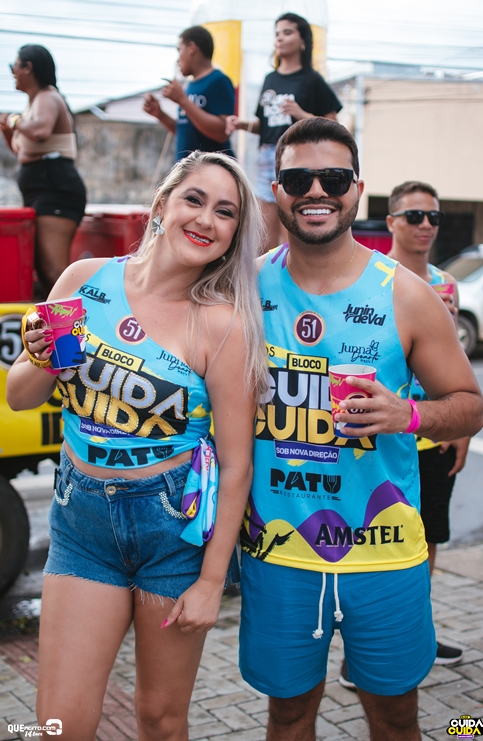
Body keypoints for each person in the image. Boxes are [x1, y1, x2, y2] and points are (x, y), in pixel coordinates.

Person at [6, 150, 267, 741]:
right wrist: (40, 357)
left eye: (225, 212)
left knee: (160, 720)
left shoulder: (223, 324)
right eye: (194, 199)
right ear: (161, 205)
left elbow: (236, 465)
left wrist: (211, 582)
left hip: (173, 535)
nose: (206, 219)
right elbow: (22, 395)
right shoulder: (84, 280)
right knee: (59, 725)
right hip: (82, 527)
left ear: (232, 235)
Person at [238, 118, 483, 741]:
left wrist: (409, 415)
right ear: (277, 189)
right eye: (299, 178)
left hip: (385, 552)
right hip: (278, 554)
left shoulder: (408, 295)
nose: (316, 190)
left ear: (357, 189)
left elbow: (469, 406)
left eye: (334, 177)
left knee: (397, 719)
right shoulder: (242, 288)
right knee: (288, 717)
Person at [387, 181, 469, 665]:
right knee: (383, 538)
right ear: (392, 221)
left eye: (434, 217)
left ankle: (418, 632)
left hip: (434, 433)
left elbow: (456, 366)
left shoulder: (445, 283)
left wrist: (460, 427)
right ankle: (364, 651)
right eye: (414, 216)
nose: (425, 225)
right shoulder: (377, 280)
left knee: (429, 534)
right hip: (389, 437)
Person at [226, 13, 342, 253]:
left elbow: (333, 125)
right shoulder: (270, 79)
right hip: (266, 160)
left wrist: (301, 113)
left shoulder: (311, 80)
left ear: (303, 40)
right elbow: (264, 125)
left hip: (297, 162)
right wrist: (241, 125)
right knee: (262, 239)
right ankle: (265, 279)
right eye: (277, 33)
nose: (279, 38)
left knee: (292, 237)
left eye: (287, 32)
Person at [0, 44, 86, 299]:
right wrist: (9, 133)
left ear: (29, 68)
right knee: (44, 271)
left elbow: (40, 131)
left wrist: (15, 120)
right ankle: (60, 322)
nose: (12, 72)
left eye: (14, 66)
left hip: (56, 189)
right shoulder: (34, 103)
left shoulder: (48, 96)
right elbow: (24, 152)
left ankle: (82, 322)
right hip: (42, 189)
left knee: (54, 271)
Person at [143, 25, 235, 162]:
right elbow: (186, 131)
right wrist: (159, 114)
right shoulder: (190, 86)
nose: (177, 59)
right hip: (189, 168)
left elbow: (222, 133)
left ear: (191, 47)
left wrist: (183, 100)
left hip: (210, 168)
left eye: (179, 50)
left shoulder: (218, 81)